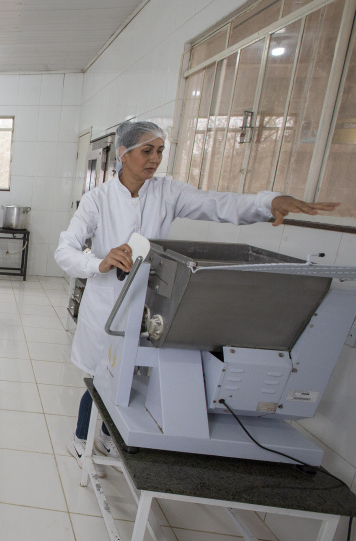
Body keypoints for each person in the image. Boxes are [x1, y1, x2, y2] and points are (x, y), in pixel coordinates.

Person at [54, 120, 337, 475]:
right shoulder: (98, 200)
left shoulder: (167, 193)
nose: (155, 159)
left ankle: (109, 434)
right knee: (101, 377)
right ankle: (81, 439)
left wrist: (268, 202)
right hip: (107, 303)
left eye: (159, 151)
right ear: (124, 155)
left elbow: (219, 204)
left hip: (150, 302)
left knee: (131, 378)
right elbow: (64, 251)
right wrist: (100, 262)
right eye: (147, 151)